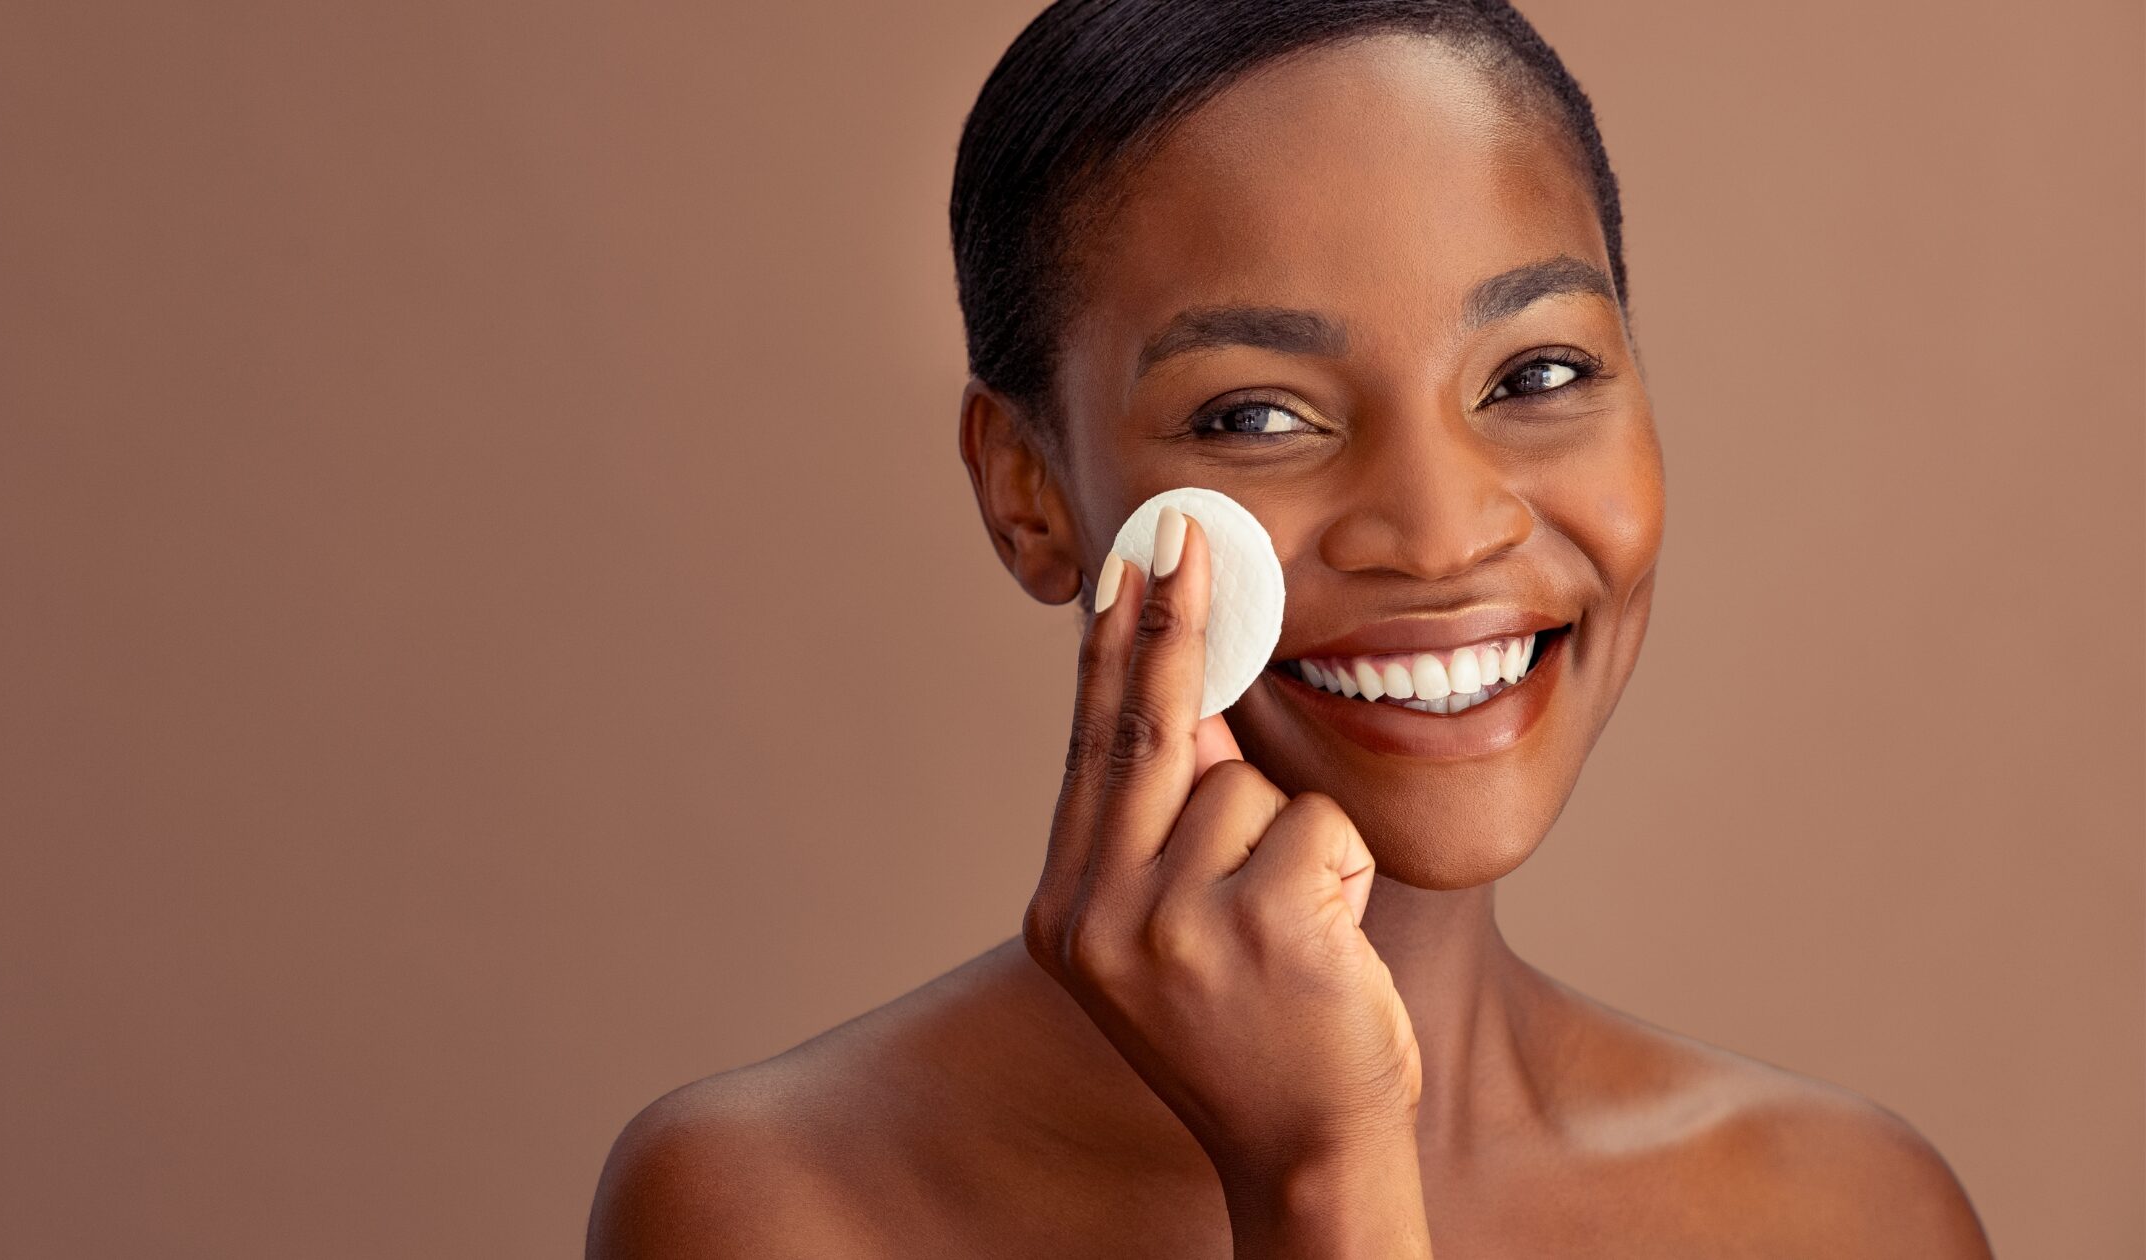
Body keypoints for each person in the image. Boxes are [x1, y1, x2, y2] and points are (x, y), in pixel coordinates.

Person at [589, 2, 1995, 1254]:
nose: (1441, 534)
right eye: (1257, 415)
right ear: (1029, 492)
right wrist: (1321, 1176)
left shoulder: (1852, 1216)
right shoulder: (775, 1209)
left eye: (1537, 374)